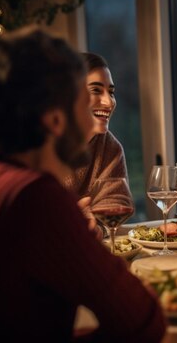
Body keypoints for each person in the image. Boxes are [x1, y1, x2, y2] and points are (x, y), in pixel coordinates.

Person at [0, 27, 166, 342]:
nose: (102, 105)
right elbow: (142, 320)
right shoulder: (36, 198)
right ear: (54, 119)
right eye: (81, 98)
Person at [63, 52, 131, 236]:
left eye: (111, 92)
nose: (109, 102)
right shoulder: (40, 146)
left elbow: (116, 201)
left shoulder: (111, 148)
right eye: (96, 90)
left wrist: (97, 228)